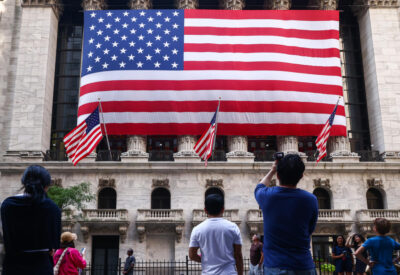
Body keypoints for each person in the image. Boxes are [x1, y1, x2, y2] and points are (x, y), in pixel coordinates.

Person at [254, 154, 318, 275]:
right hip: (303, 265)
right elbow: (310, 229)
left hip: (275, 266)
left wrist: (272, 170)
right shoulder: (311, 199)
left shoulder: (267, 195)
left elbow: (259, 186)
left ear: (278, 176)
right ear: (301, 176)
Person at [1, 165, 61, 275]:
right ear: (46, 185)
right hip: (41, 267)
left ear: (24, 182)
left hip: (13, 266)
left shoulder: (7, 205)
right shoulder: (53, 208)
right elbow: (53, 247)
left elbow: (6, 237)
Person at [189, 194, 243, 275]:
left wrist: (206, 260)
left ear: (205, 210)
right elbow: (238, 255)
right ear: (223, 210)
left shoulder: (197, 230)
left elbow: (192, 255)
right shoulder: (233, 227)